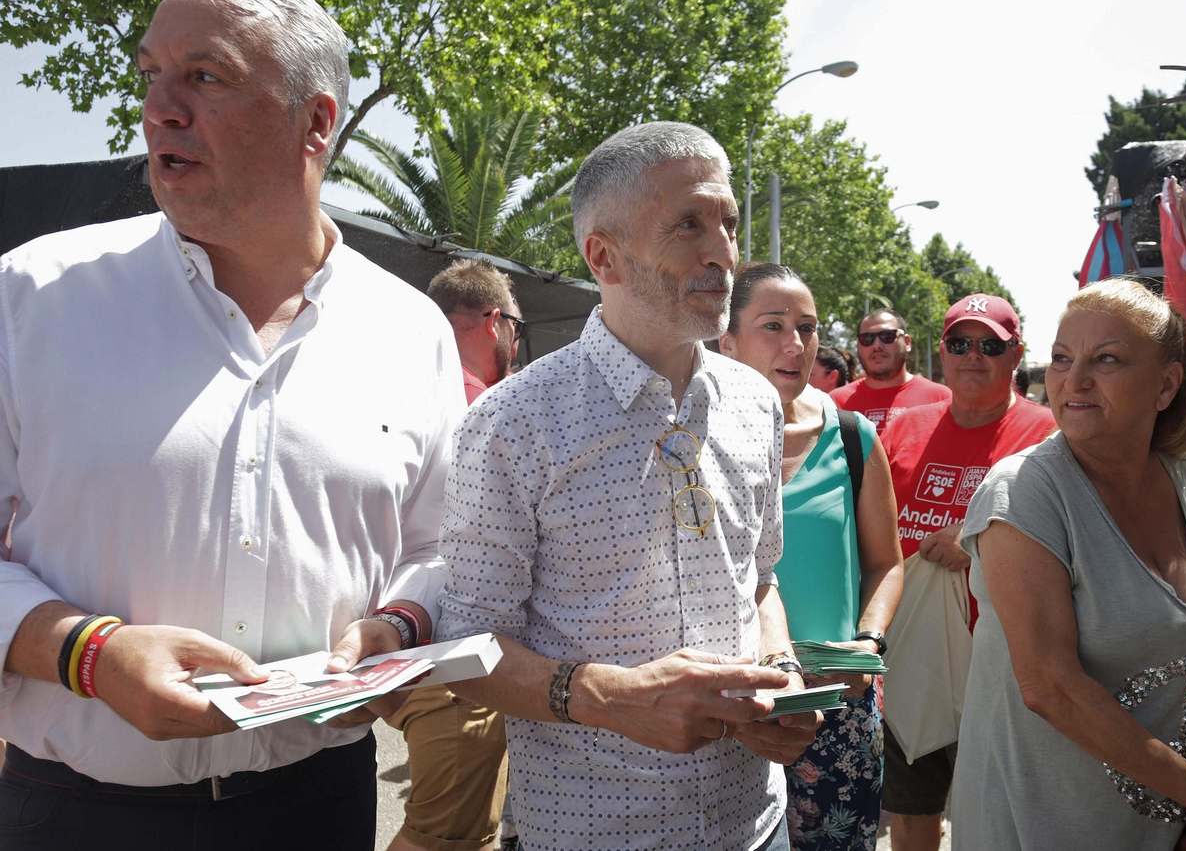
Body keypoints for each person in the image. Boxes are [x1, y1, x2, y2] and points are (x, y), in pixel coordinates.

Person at [0, 0, 465, 849]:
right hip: (74, 816)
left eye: (205, 76)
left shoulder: (411, 329)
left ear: (315, 122)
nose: (160, 106)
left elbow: (442, 549)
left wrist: (402, 624)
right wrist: (89, 653)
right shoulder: (34, 294)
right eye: (151, 75)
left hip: (319, 807)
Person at [435, 121, 821, 851]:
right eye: (688, 225)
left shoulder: (755, 403)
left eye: (728, 224)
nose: (723, 252)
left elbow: (759, 581)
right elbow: (466, 647)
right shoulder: (514, 422)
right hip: (597, 831)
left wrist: (782, 672)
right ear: (603, 256)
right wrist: (613, 699)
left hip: (757, 825)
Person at [951, 279, 1186, 849]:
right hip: (1049, 821)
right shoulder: (1024, 493)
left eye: (1106, 359)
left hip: (1171, 825)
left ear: (1166, 385)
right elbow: (1049, 687)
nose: (1072, 380)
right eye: (1060, 358)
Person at [720, 264, 905, 851]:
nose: (795, 345)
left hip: (839, 714)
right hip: (730, 716)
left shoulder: (852, 436)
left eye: (807, 326)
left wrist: (869, 643)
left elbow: (887, 563)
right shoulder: (688, 443)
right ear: (727, 342)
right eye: (772, 325)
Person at [878, 293, 1056, 851]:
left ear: (1015, 355)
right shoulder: (904, 427)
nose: (972, 356)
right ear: (942, 353)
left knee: (998, 818)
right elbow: (870, 533)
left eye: (990, 345)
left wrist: (979, 540)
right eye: (959, 343)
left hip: (1005, 662)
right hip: (912, 656)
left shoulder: (1049, 434)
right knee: (912, 810)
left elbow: (1070, 544)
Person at [378, 258, 525, 851]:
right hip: (449, 659)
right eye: (517, 326)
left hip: (380, 639)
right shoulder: (483, 406)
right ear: (495, 322)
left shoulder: (383, 386)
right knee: (450, 839)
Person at [830, 309, 950, 435]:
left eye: (887, 336)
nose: (877, 345)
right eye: (867, 339)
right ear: (858, 346)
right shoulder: (835, 403)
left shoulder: (940, 397)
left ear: (907, 342)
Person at [429, 257, 527, 403]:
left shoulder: (406, 374)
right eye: (514, 323)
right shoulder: (481, 402)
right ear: (494, 323)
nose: (514, 334)